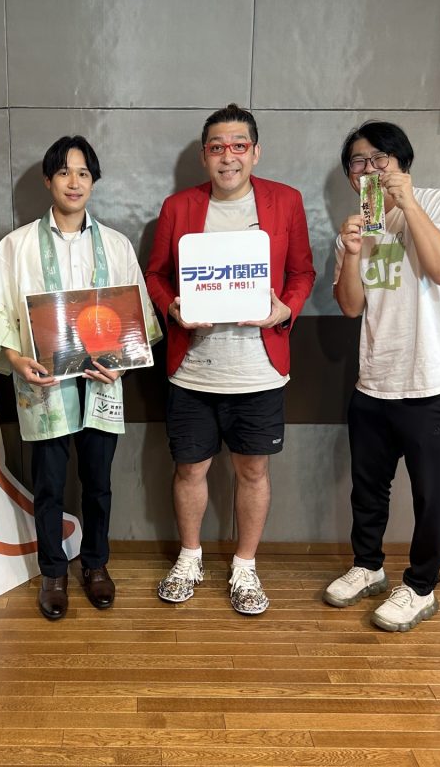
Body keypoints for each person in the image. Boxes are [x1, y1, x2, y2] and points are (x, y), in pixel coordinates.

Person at [0, 136, 161, 621]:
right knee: (50, 484)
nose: (73, 182)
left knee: (98, 482)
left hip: (101, 379)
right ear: (48, 180)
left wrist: (123, 362)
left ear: (93, 181)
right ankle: (53, 572)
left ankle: (96, 564)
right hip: (44, 382)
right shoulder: (16, 246)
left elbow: (136, 319)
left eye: (83, 173)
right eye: (63, 172)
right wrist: (17, 361)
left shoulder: (116, 245)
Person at [144, 104, 315, 615]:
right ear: (204, 155)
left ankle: (244, 566)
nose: (228, 156)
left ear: (255, 152)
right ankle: (189, 558)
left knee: (253, 471)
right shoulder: (178, 207)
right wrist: (172, 308)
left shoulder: (285, 201)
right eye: (217, 147)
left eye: (239, 145)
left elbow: (302, 272)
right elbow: (155, 275)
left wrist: (286, 309)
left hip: (259, 369)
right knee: (189, 469)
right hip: (193, 369)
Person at [323, 121, 440, 632]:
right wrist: (351, 252)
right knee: (368, 489)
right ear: (350, 175)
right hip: (375, 380)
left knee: (433, 495)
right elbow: (351, 306)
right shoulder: (355, 228)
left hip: (436, 380)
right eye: (359, 162)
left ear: (401, 162)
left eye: (379, 158)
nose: (369, 169)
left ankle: (421, 587)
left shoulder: (437, 202)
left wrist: (408, 204)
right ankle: (368, 566)